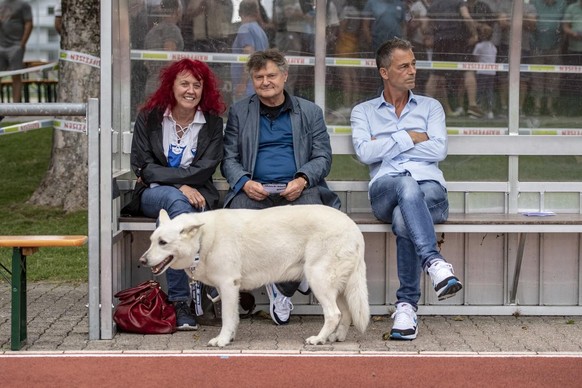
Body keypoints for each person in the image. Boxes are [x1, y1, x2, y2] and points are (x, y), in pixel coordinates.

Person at [351, 38, 462, 340]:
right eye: (404, 66)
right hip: (386, 190)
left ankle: (406, 308)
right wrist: (411, 136)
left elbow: (438, 150)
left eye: (413, 64)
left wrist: (387, 144)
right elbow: (364, 153)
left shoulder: (431, 106)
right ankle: (434, 263)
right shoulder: (363, 112)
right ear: (384, 72)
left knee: (404, 219)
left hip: (431, 193)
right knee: (404, 181)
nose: (412, 70)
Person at [221, 48, 340, 326]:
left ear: (284, 76)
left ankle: (282, 287)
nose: (265, 81)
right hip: (253, 192)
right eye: (259, 76)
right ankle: (292, 280)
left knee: (314, 227)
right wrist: (244, 183)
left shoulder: (309, 112)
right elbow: (229, 158)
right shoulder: (240, 111)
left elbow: (323, 156)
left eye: (271, 75)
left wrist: (301, 180)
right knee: (233, 226)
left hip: (298, 190)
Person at [128, 58, 226, 330]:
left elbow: (206, 169)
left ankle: (180, 301)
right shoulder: (149, 118)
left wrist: (176, 180)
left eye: (197, 85)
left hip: (197, 197)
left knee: (174, 211)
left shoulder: (213, 123)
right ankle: (190, 293)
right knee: (175, 199)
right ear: (171, 86)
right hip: (152, 196)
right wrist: (181, 185)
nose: (190, 90)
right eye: (184, 83)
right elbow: (142, 166)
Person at [143, 0, 184, 98]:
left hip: (151, 83)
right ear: (177, 10)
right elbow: (170, 57)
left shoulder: (152, 32)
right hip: (164, 86)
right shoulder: (172, 29)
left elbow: (147, 63)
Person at [231, 0, 269, 101]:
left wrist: (242, 83)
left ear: (239, 13)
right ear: (256, 12)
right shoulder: (260, 31)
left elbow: (248, 55)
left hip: (247, 88)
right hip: (258, 86)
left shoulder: (245, 29)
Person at [0, 0, 33, 103]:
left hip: (15, 46)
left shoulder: (23, 5)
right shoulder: (1, 4)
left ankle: (16, 106)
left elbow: (29, 23)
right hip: (1, 46)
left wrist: (21, 44)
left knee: (16, 75)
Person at [472, 23, 497, 119]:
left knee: (480, 91)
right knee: (489, 91)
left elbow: (476, 58)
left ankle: (478, 110)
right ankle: (490, 111)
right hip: (491, 73)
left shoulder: (479, 46)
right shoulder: (493, 47)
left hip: (481, 72)